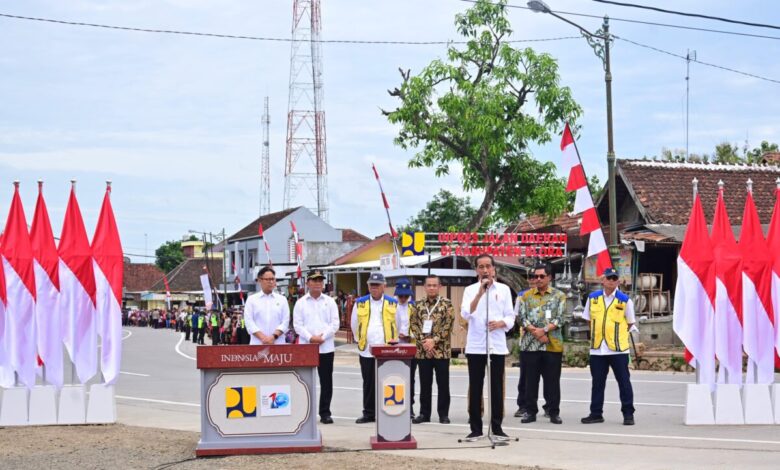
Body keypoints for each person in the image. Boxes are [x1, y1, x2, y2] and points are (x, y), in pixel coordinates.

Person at [460, 254, 515, 442]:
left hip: (496, 346)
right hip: (476, 346)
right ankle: (475, 428)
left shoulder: (505, 290)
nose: (485, 270)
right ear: (476, 270)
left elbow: (511, 317)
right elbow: (466, 313)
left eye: (488, 266)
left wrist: (501, 323)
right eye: (481, 267)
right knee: (475, 387)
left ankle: (497, 428)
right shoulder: (470, 290)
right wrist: (479, 294)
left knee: (496, 388)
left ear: (494, 269)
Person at [580, 268, 637, 426]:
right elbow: (588, 319)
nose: (611, 281)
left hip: (618, 348)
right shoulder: (593, 298)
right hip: (598, 348)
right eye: (608, 278)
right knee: (597, 383)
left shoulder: (625, 300)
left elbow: (630, 322)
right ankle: (596, 413)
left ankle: (628, 414)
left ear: (618, 281)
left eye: (614, 278)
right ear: (602, 280)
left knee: (624, 382)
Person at [518, 263, 566, 425]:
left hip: (552, 345)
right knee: (530, 381)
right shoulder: (526, 296)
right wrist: (536, 333)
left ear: (549, 277)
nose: (537, 279)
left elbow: (561, 318)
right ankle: (530, 412)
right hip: (530, 346)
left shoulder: (559, 296)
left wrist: (544, 330)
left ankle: (553, 412)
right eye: (535, 276)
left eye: (541, 276)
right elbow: (522, 318)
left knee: (552, 381)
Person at [350, 272, 399, 424]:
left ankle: (388, 412)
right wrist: (360, 340)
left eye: (377, 285)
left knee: (388, 382)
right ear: (368, 286)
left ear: (384, 286)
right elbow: (354, 323)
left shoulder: (392, 302)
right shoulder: (360, 302)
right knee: (369, 383)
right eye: (372, 285)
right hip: (367, 351)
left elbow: (397, 323)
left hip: (387, 350)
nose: (374, 288)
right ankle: (369, 413)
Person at [294, 269, 340, 424]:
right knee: (305, 382)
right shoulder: (300, 303)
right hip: (306, 348)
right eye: (314, 280)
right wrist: (310, 338)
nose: (318, 283)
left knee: (326, 382)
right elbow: (297, 325)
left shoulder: (330, 301)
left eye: (320, 280)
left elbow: (335, 324)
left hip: (325, 347)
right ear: (308, 283)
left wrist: (322, 337)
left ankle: (325, 413)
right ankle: (305, 412)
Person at [410, 274, 454, 424]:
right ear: (424, 287)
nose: (432, 288)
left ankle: (443, 414)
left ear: (439, 287)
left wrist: (433, 341)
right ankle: (424, 414)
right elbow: (414, 325)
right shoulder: (417, 305)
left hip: (442, 351)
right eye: (429, 285)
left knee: (443, 384)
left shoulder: (447, 304)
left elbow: (448, 326)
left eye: (435, 285)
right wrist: (425, 343)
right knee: (425, 384)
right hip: (423, 352)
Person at [245, 266, 290, 345]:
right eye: (268, 279)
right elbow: (249, 322)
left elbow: (285, 322)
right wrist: (263, 338)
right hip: (258, 343)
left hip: (278, 343)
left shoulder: (282, 299)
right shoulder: (251, 300)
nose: (271, 282)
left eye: (273, 279)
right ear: (260, 280)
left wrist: (273, 337)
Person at [514, 271, 538, 418]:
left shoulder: (552, 295)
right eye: (530, 277)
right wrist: (532, 329)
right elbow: (517, 317)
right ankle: (523, 405)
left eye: (537, 277)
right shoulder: (521, 295)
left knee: (549, 377)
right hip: (527, 340)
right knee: (525, 376)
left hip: (546, 339)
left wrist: (543, 331)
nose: (533, 280)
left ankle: (550, 407)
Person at [394, 277, 418, 418]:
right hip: (394, 347)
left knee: (410, 379)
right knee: (394, 377)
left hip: (410, 346)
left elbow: (419, 325)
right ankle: (396, 404)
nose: (403, 298)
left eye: (406, 295)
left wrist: (409, 335)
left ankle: (410, 407)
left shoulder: (414, 307)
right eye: (400, 295)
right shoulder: (391, 306)